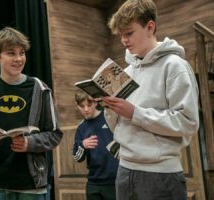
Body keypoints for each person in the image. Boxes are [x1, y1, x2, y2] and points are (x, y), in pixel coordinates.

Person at [99, 0, 200, 200]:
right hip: (124, 169)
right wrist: (110, 108)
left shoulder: (174, 66)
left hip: (160, 175)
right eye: (121, 35)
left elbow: (188, 123)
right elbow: (117, 127)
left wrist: (135, 112)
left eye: (128, 33)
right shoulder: (125, 73)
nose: (124, 40)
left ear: (150, 27)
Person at [0, 27, 63, 200]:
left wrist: (29, 143)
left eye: (21, 53)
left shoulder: (40, 88)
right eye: (11, 53)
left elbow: (55, 134)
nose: (18, 59)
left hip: (31, 187)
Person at [73, 92, 119, 200]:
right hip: (94, 183)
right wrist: (82, 145)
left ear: (95, 103)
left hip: (115, 180)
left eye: (89, 105)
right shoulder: (81, 127)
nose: (85, 109)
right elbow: (77, 157)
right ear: (77, 106)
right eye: (82, 106)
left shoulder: (109, 117)